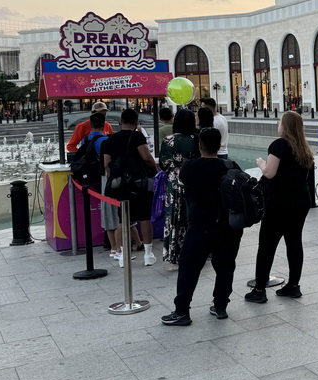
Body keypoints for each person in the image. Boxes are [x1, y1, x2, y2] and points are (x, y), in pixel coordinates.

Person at [161, 129, 244, 326]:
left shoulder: (190, 167)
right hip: (227, 226)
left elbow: (183, 185)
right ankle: (220, 305)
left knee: (189, 268)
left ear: (200, 146)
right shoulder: (231, 166)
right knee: (225, 266)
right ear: (220, 144)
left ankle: (182, 311)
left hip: (200, 225)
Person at [245, 111, 315, 303]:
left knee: (267, 245)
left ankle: (259, 290)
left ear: (285, 126)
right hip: (300, 201)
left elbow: (269, 172)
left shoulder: (279, 145)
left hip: (279, 203)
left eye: (279, 122)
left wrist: (261, 163)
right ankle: (293, 285)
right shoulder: (304, 148)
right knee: (294, 242)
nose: (278, 125)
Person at [102, 108, 159, 267]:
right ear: (136, 122)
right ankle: (148, 255)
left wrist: (117, 177)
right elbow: (146, 157)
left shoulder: (110, 140)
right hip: (138, 183)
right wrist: (154, 171)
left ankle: (122, 256)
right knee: (144, 217)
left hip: (121, 185)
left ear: (120, 122)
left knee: (123, 219)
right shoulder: (137, 136)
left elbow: (107, 165)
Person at [158, 109, 199, 271]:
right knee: (191, 218)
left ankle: (174, 256)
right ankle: (194, 253)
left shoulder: (169, 140)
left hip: (175, 182)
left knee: (174, 218)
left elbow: (163, 163)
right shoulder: (196, 139)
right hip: (193, 181)